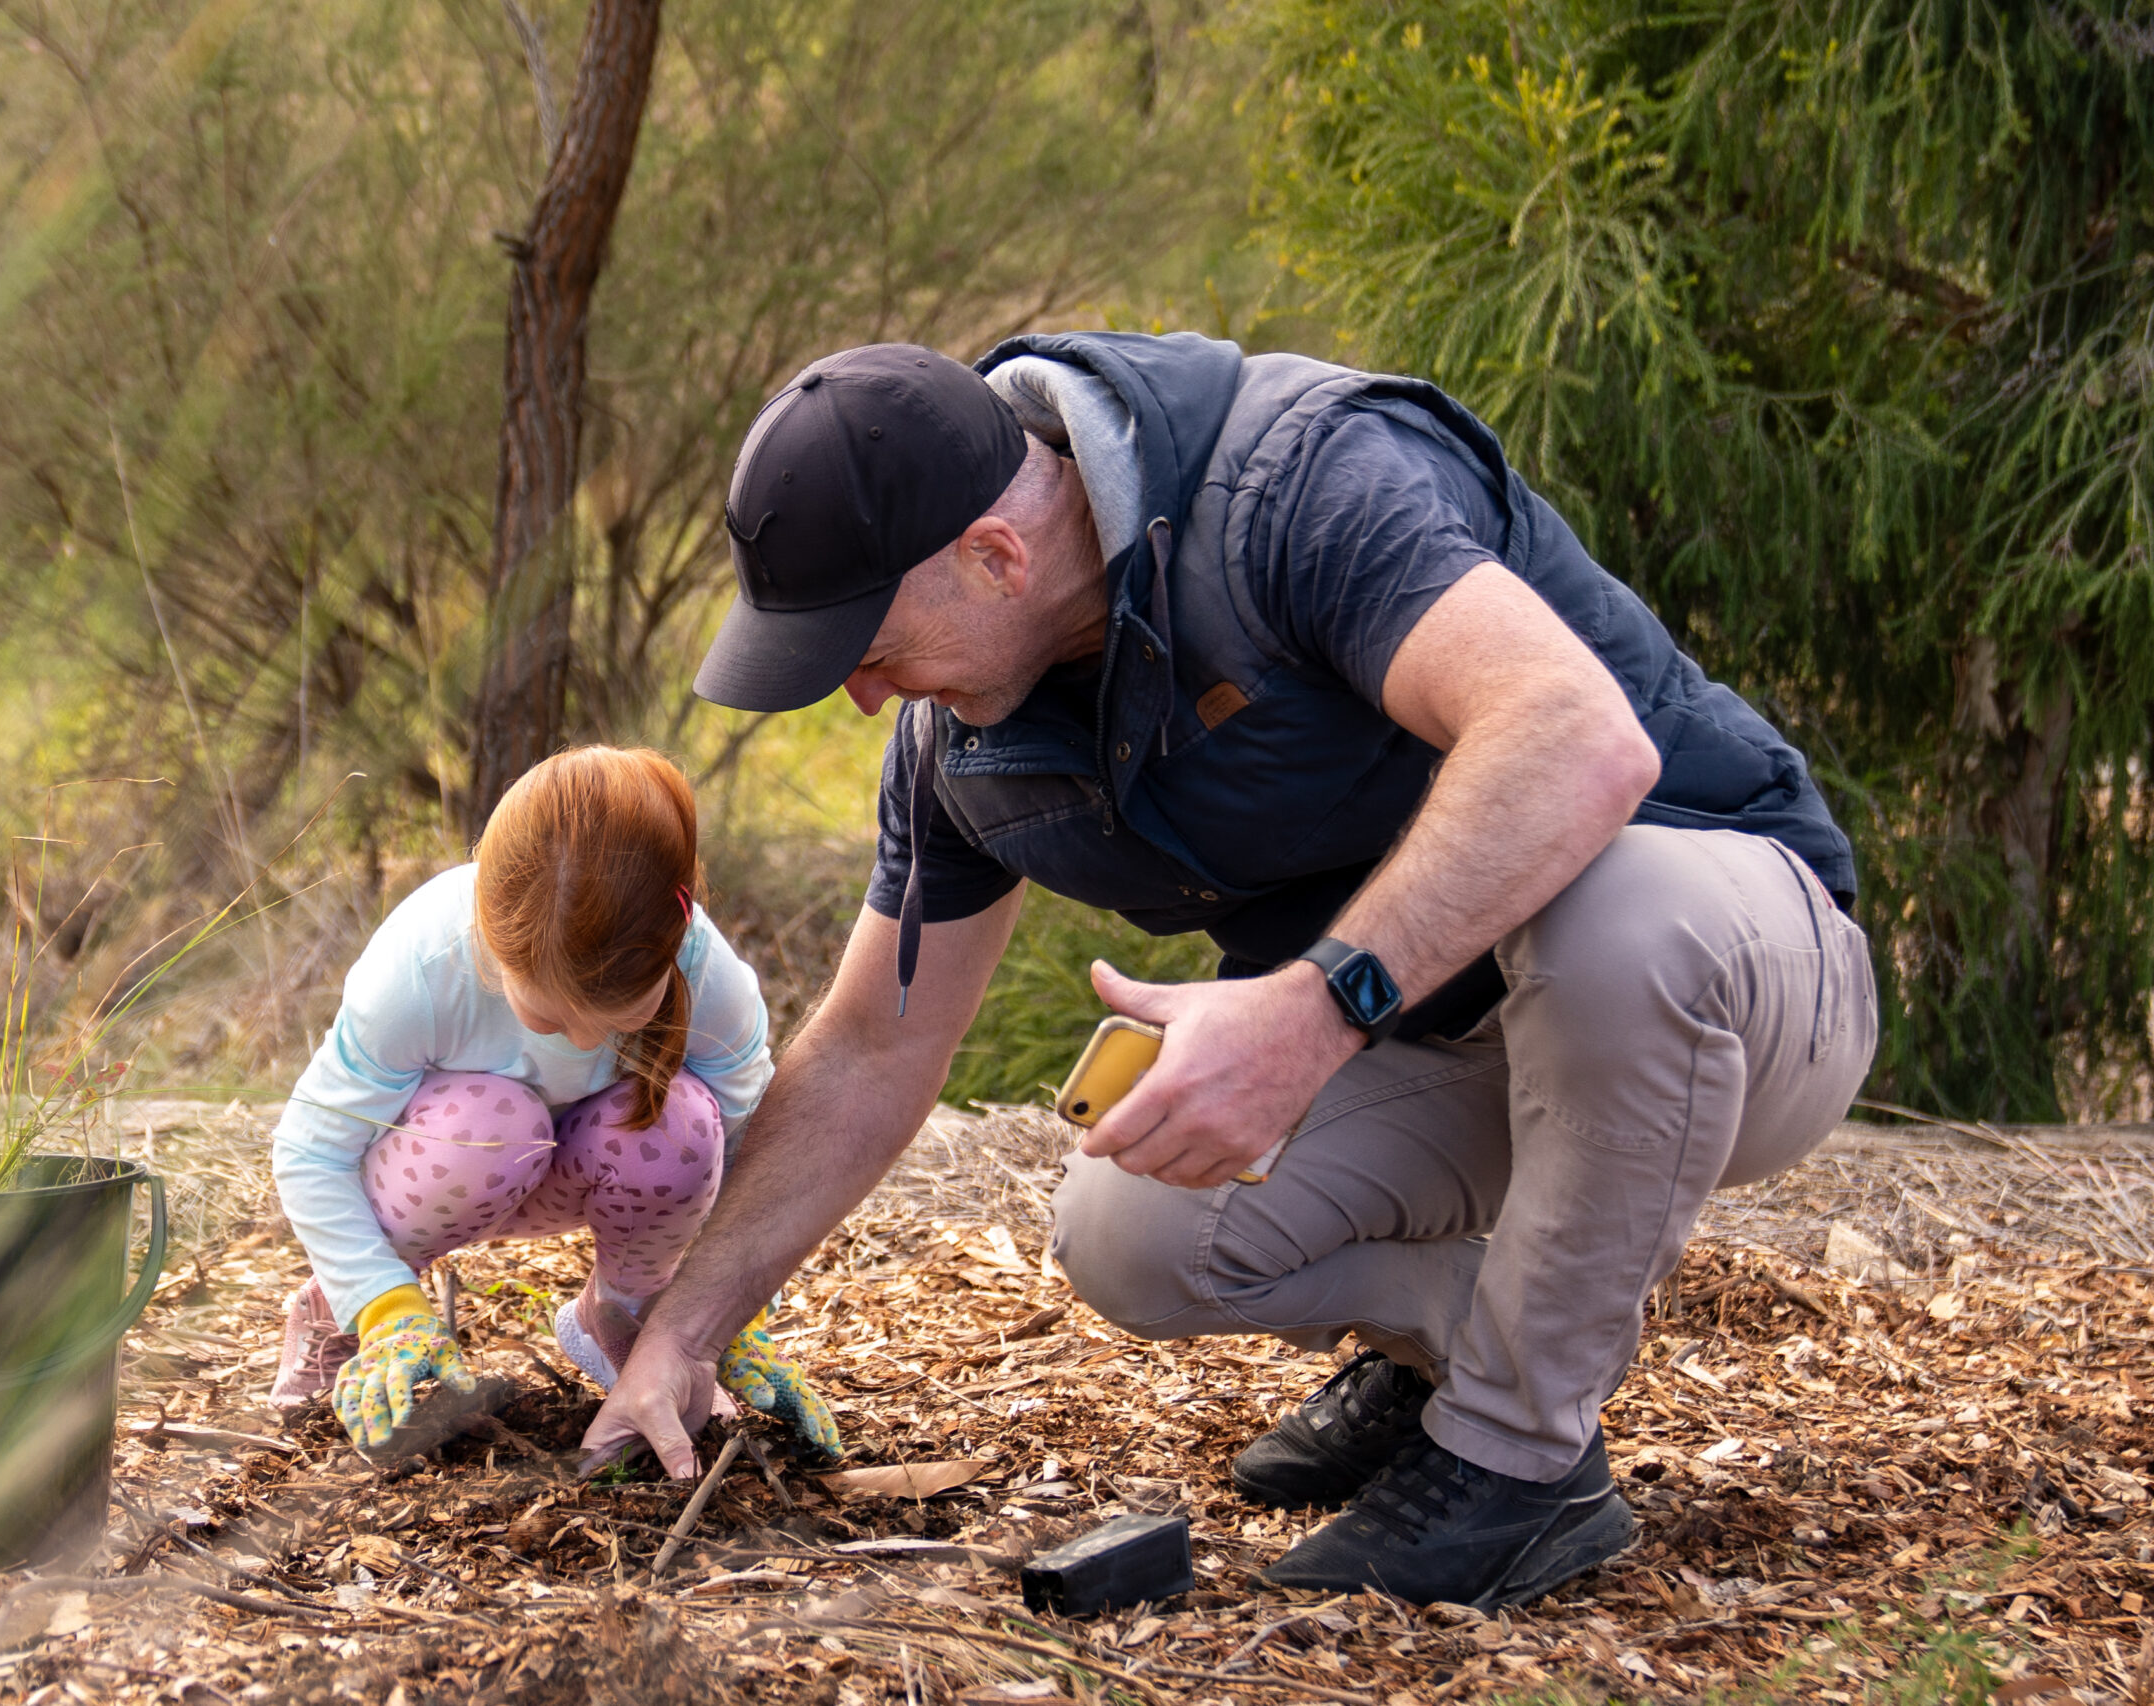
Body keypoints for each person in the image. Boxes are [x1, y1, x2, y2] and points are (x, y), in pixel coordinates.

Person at [579, 335, 1878, 1611]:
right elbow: (874, 1043)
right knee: (1136, 1227)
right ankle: (1460, 1350)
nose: (864, 698)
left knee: (1619, 914)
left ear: (996, 554)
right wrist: (682, 1332)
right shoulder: (957, 738)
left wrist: (1310, 1013)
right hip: (1456, 1038)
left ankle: (1519, 1458)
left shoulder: (1302, 485)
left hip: (1730, 973)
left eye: (868, 647)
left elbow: (1576, 741)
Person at [267, 745, 837, 1455]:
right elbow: (312, 1151)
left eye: (623, 1015)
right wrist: (380, 1302)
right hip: (447, 1166)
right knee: (494, 1121)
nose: (586, 1039)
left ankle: (628, 1313)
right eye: (546, 1016)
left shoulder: (708, 974)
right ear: (491, 941)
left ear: (676, 935)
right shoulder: (421, 970)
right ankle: (344, 1308)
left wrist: (730, 1310)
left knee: (685, 1121)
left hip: (597, 1165)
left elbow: (754, 1147)